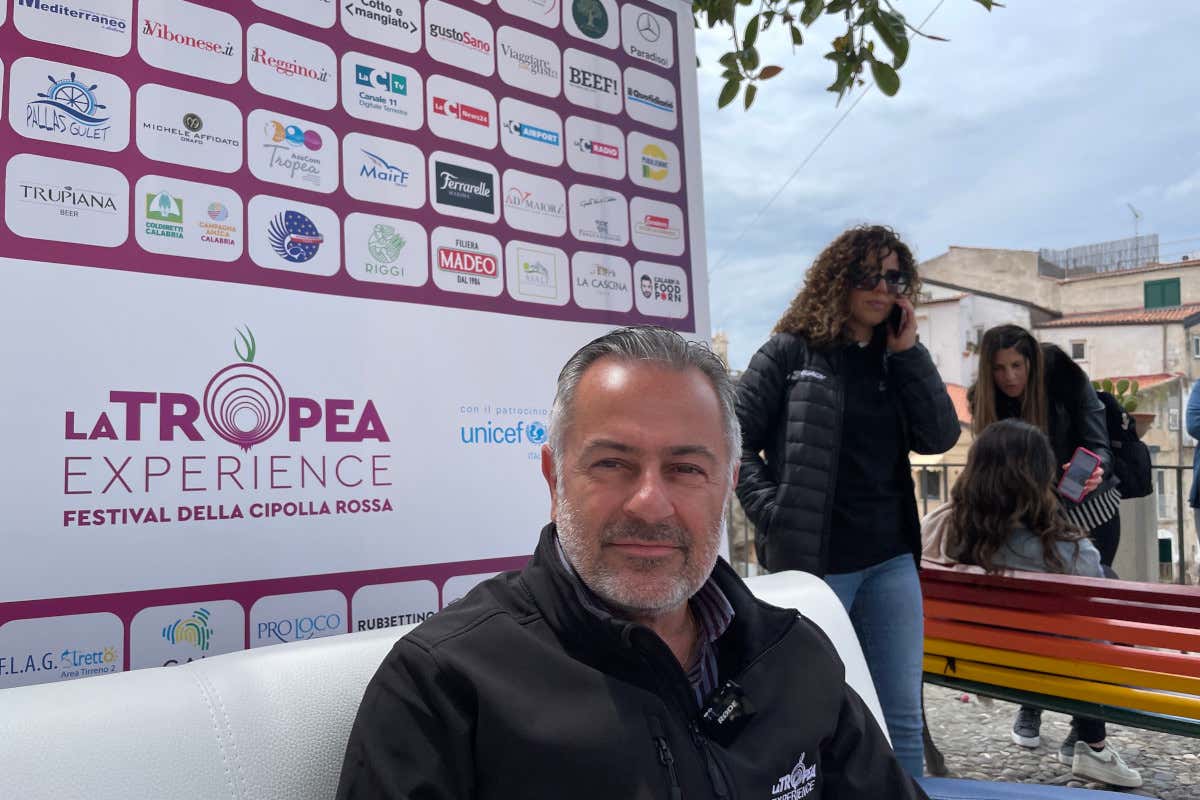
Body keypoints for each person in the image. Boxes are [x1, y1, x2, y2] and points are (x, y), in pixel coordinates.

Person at [336, 325, 928, 799]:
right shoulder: (443, 685)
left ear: (726, 486)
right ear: (554, 480)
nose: (650, 503)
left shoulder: (792, 655)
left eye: (686, 469)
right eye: (613, 464)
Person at [736, 225, 961, 778]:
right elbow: (730, 438)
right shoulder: (791, 351)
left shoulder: (894, 359)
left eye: (894, 278)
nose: (881, 288)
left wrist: (909, 354)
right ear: (838, 279)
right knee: (813, 712)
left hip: (890, 561)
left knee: (901, 715)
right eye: (868, 275)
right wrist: (773, 512)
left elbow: (939, 436)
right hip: (818, 566)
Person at [921, 419, 1142, 789]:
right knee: (1099, 595)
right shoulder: (1069, 551)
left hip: (967, 662)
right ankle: (1094, 746)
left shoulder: (940, 530)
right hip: (1050, 669)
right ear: (1041, 477)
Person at [969, 324, 1118, 751]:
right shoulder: (984, 399)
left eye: (1017, 366)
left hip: (1088, 512)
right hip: (1028, 523)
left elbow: (1100, 444)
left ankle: (1082, 726)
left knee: (1080, 622)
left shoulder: (1065, 378)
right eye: (1000, 368)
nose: (1010, 377)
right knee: (1036, 619)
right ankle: (1033, 703)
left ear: (1033, 362)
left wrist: (1095, 468)